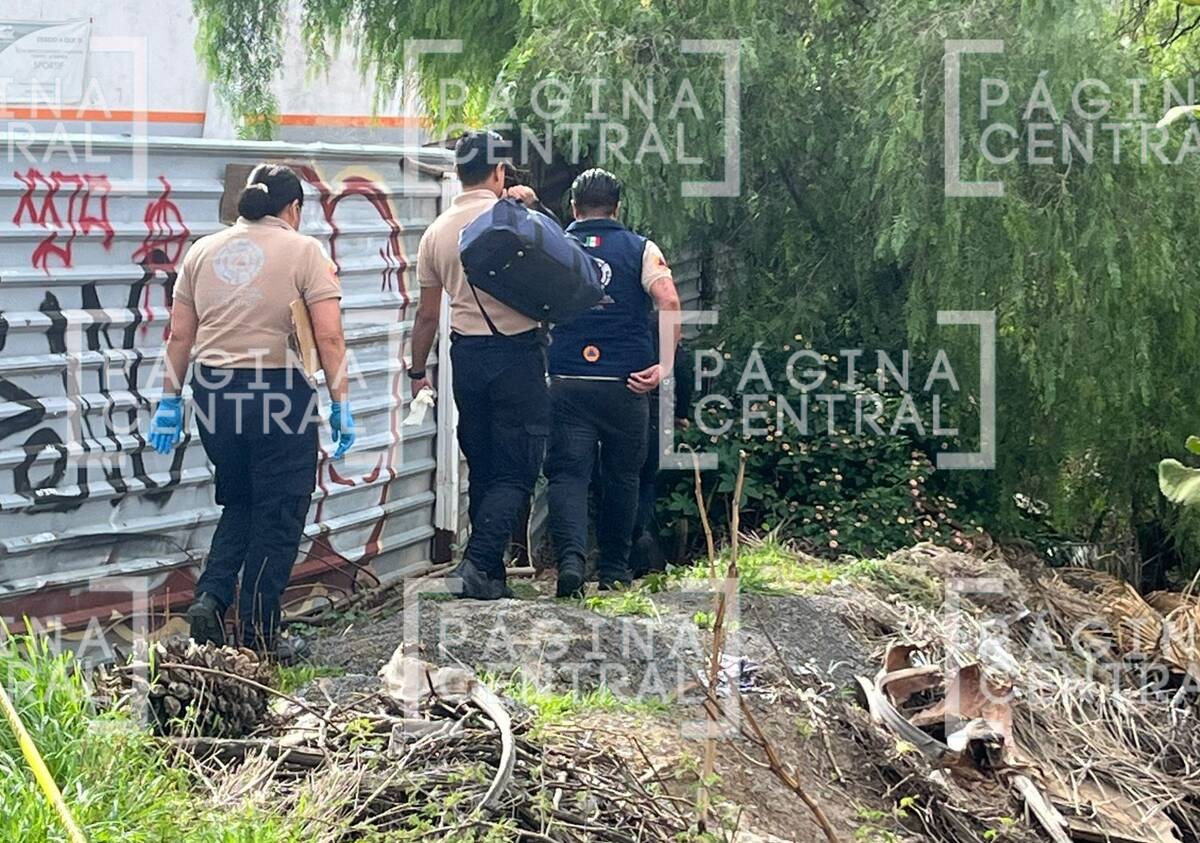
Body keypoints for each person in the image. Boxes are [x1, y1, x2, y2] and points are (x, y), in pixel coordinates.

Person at [147, 163, 355, 660]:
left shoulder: (202, 250)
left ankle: (212, 598)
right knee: (280, 511)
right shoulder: (304, 251)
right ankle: (260, 638)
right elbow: (328, 335)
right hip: (278, 392)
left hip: (214, 391)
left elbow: (179, 336)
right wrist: (341, 402)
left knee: (241, 502)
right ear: (294, 208)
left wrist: (169, 400)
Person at [409, 131, 547, 600]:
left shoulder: (436, 232)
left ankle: (489, 577)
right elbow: (560, 269)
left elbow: (427, 315)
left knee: (484, 464)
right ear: (498, 172)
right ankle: (475, 564)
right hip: (516, 353)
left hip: (465, 357)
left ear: (456, 173)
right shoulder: (513, 218)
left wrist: (415, 372)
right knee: (519, 467)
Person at [547, 168, 681, 596]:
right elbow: (669, 300)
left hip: (567, 377)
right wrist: (665, 365)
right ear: (617, 207)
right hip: (627, 383)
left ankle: (570, 563)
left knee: (568, 475)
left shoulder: (554, 246)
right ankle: (614, 571)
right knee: (623, 475)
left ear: (574, 207)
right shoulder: (641, 248)